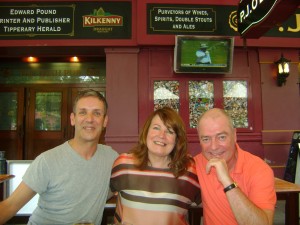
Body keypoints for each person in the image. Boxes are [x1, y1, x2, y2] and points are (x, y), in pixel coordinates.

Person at [0, 89, 119, 225]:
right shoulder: (47, 161)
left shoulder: (111, 158)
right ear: (73, 119)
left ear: (105, 121)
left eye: (97, 113)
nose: (90, 119)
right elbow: (10, 206)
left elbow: (114, 187)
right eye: (83, 112)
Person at [110, 107, 201, 225]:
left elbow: (209, 203)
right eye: (156, 128)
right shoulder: (123, 164)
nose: (161, 135)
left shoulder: (189, 171)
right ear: (146, 132)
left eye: (170, 131)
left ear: (177, 140)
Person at [194, 108, 276, 225]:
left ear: (234, 135)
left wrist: (227, 182)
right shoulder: (196, 164)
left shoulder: (259, 169)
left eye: (221, 137)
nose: (214, 147)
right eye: (206, 139)